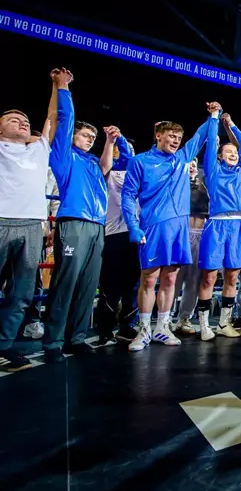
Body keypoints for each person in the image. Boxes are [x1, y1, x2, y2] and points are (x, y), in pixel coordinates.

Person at [121, 102, 218, 351]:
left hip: (178, 227)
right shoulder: (140, 161)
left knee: (171, 278)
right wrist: (133, 226)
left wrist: (214, 116)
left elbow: (201, 137)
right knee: (149, 278)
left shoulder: (182, 158)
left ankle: (162, 328)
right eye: (171, 136)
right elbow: (128, 195)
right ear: (158, 135)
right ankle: (143, 330)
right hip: (153, 226)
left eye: (178, 137)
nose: (175, 140)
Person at [43, 75, 118, 360]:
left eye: (93, 137)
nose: (90, 140)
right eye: (85, 135)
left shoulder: (90, 162)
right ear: (72, 135)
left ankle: (75, 338)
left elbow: (105, 166)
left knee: (88, 283)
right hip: (72, 222)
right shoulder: (63, 155)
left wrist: (109, 141)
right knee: (65, 282)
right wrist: (64, 89)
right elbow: (64, 118)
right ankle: (52, 342)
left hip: (97, 226)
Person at [0, 69, 58, 372]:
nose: (22, 123)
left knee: (22, 292)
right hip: (0, 221)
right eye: (13, 120)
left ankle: (4, 346)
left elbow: (53, 115)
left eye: (25, 121)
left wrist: (57, 86)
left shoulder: (38, 149)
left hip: (32, 225)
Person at [195, 111, 241, 340]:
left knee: (232, 277)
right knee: (209, 277)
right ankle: (203, 324)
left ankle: (224, 323)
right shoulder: (213, 171)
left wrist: (231, 124)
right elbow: (210, 147)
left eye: (235, 153)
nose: (233, 154)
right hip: (217, 224)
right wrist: (215, 118)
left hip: (239, 225)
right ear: (219, 157)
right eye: (228, 152)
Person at [95, 133, 138, 345]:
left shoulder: (140, 175)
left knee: (133, 285)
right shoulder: (107, 171)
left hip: (137, 235)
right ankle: (104, 327)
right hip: (113, 234)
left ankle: (128, 326)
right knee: (110, 285)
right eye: (121, 148)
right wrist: (116, 141)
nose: (124, 152)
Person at [172, 159, 208, 334]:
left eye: (194, 162)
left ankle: (184, 318)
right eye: (188, 162)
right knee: (174, 279)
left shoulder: (204, 182)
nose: (192, 165)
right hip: (182, 233)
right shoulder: (176, 181)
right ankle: (164, 319)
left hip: (200, 234)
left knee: (194, 280)